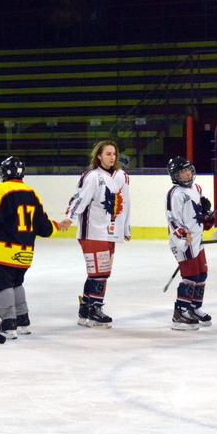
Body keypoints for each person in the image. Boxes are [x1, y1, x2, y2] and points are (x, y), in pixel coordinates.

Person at [0, 156, 59, 339]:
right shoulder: (32, 193)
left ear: (4, 173)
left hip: (3, 251)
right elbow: (45, 229)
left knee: (1, 284)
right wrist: (57, 226)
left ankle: (8, 323)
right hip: (25, 254)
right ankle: (22, 321)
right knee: (16, 283)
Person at [60, 140, 131, 328]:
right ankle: (95, 310)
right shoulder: (92, 176)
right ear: (98, 156)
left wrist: (125, 228)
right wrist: (69, 217)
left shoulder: (121, 176)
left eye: (114, 154)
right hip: (92, 232)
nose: (112, 157)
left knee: (99, 273)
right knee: (100, 273)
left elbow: (126, 203)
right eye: (108, 154)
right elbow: (79, 198)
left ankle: (86, 310)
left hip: (110, 233)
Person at [165, 156, 214, 330]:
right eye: (181, 172)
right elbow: (172, 218)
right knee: (190, 276)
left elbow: (198, 214)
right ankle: (180, 312)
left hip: (197, 239)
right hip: (183, 241)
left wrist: (207, 215)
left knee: (202, 274)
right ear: (175, 176)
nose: (186, 174)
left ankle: (194, 308)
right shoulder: (175, 194)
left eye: (187, 170)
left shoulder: (197, 188)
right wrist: (182, 233)